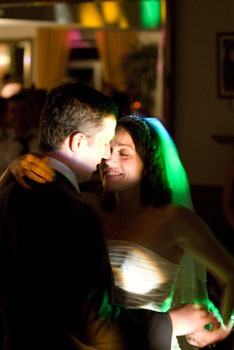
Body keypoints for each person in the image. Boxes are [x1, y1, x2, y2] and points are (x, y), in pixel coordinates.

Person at [0, 82, 218, 350]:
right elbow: (95, 325)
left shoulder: (11, 191)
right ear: (78, 141)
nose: (105, 156)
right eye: (105, 143)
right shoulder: (76, 210)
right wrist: (171, 323)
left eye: (122, 152)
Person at [0, 92, 39, 175]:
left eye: (23, 110)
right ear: (6, 116)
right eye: (14, 111)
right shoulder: (2, 149)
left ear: (31, 112)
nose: (19, 115)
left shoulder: (44, 141)